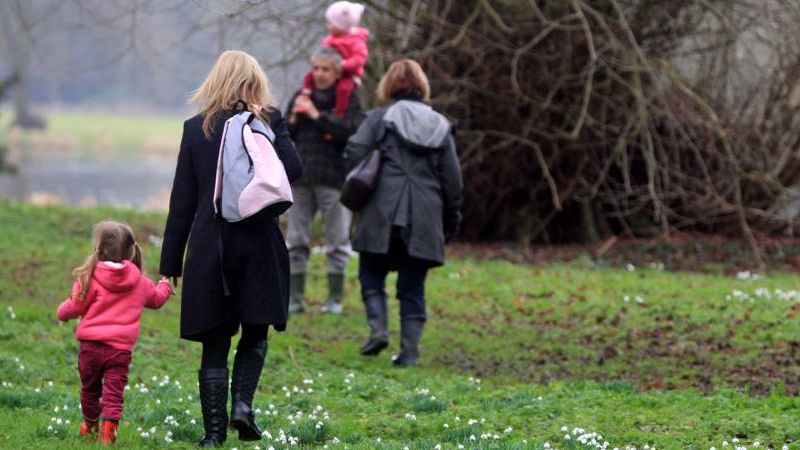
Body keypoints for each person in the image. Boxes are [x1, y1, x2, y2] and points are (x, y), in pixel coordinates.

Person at [159, 50, 302, 448]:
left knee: (215, 342)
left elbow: (182, 203)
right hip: (259, 246)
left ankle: (214, 434)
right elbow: (293, 171)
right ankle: (242, 404)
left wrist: (170, 264)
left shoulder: (195, 130)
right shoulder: (269, 122)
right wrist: (266, 126)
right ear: (255, 83)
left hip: (211, 250)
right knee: (255, 332)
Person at [344, 59, 463, 367]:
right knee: (412, 286)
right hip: (425, 212)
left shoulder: (379, 119)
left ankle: (378, 330)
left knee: (370, 271)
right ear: (422, 86)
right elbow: (453, 180)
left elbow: (355, 152)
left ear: (389, 85)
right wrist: (451, 219)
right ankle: (409, 352)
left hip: (382, 208)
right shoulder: (440, 124)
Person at [56, 220, 172, 444]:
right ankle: (109, 432)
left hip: (90, 348)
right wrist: (165, 285)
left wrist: (62, 313)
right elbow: (156, 300)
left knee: (89, 390)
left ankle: (90, 425)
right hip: (119, 351)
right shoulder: (140, 282)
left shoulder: (89, 278)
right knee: (113, 393)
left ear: (98, 249)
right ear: (130, 251)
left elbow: (74, 306)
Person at [285, 47, 365, 315]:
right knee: (295, 239)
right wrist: (294, 118)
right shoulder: (301, 96)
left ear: (337, 71)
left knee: (338, 241)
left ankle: (334, 300)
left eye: (325, 69)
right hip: (300, 179)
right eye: (316, 68)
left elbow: (354, 132)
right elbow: (285, 134)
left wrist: (317, 116)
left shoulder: (348, 99)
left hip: (335, 180)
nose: (319, 74)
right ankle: (295, 298)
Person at [300, 1, 369, 117]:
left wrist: (345, 64)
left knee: (343, 89)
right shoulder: (331, 38)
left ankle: (339, 112)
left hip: (348, 74)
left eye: (331, 23)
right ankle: (306, 95)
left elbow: (360, 58)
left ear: (341, 26)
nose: (327, 26)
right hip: (335, 68)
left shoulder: (356, 41)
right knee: (309, 77)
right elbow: (323, 52)